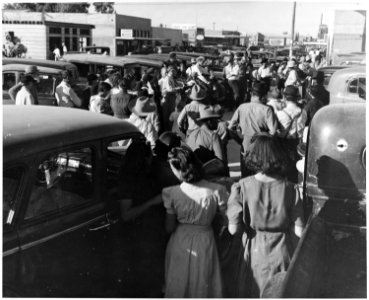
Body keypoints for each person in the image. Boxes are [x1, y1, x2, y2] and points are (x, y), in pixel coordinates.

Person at [226, 134, 305, 298]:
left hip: (255, 251)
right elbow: (299, 232)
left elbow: (233, 230)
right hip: (283, 251)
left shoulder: (242, 187)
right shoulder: (291, 189)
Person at [162, 146, 228, 297]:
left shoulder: (172, 193)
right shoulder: (216, 190)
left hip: (180, 240)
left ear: (179, 169)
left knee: (180, 279)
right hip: (205, 239)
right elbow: (227, 219)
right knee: (203, 278)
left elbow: (169, 227)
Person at [228, 81, 278, 177]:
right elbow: (273, 132)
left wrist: (240, 140)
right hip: (261, 148)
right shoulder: (266, 109)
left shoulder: (241, 107)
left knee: (245, 176)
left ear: (251, 94)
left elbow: (230, 128)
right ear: (263, 96)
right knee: (261, 176)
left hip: (245, 147)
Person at [276, 85, 307, 183]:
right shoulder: (303, 112)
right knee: (294, 172)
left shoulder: (280, 113)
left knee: (282, 171)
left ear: (285, 97)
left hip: (283, 144)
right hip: (297, 144)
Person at [161, 66, 184, 131]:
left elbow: (173, 86)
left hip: (171, 97)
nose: (173, 72)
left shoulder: (171, 78)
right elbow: (170, 89)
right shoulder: (168, 78)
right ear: (169, 71)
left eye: (174, 71)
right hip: (167, 98)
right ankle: (167, 130)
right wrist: (178, 88)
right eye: (172, 71)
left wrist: (179, 84)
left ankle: (169, 129)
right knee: (167, 115)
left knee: (170, 113)